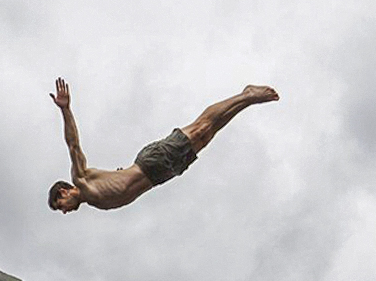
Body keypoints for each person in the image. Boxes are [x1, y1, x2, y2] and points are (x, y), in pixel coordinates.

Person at [46, 77, 279, 213]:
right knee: (207, 135)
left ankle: (246, 96)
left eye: (61, 205)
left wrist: (66, 110)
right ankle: (246, 101)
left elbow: (73, 145)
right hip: (162, 174)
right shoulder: (95, 202)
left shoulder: (81, 179)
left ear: (64, 191)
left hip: (151, 162)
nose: (65, 211)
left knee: (200, 128)